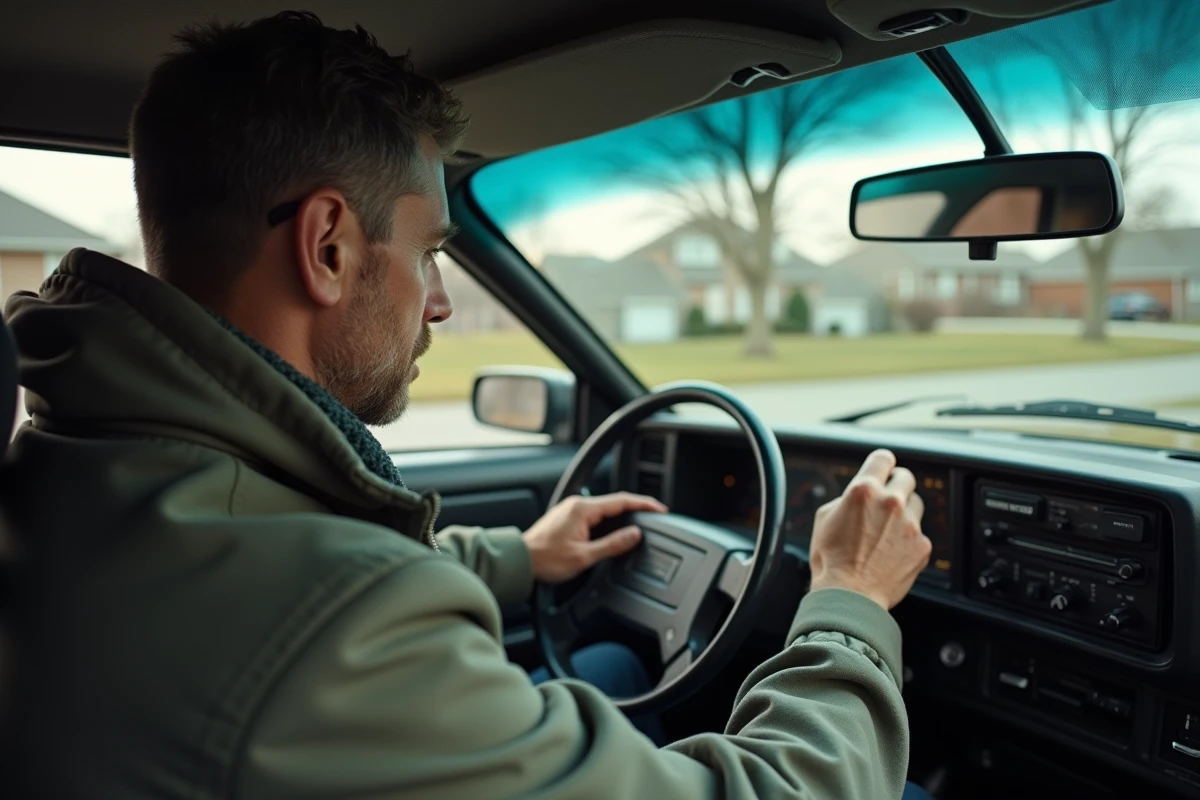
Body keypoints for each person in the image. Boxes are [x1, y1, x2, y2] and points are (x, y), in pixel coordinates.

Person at [1, 11, 934, 800]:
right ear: (328, 246)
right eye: (429, 251)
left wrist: (519, 556)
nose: (440, 299)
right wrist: (847, 605)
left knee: (609, 673)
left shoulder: (82, 462)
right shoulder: (343, 630)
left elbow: (278, 553)